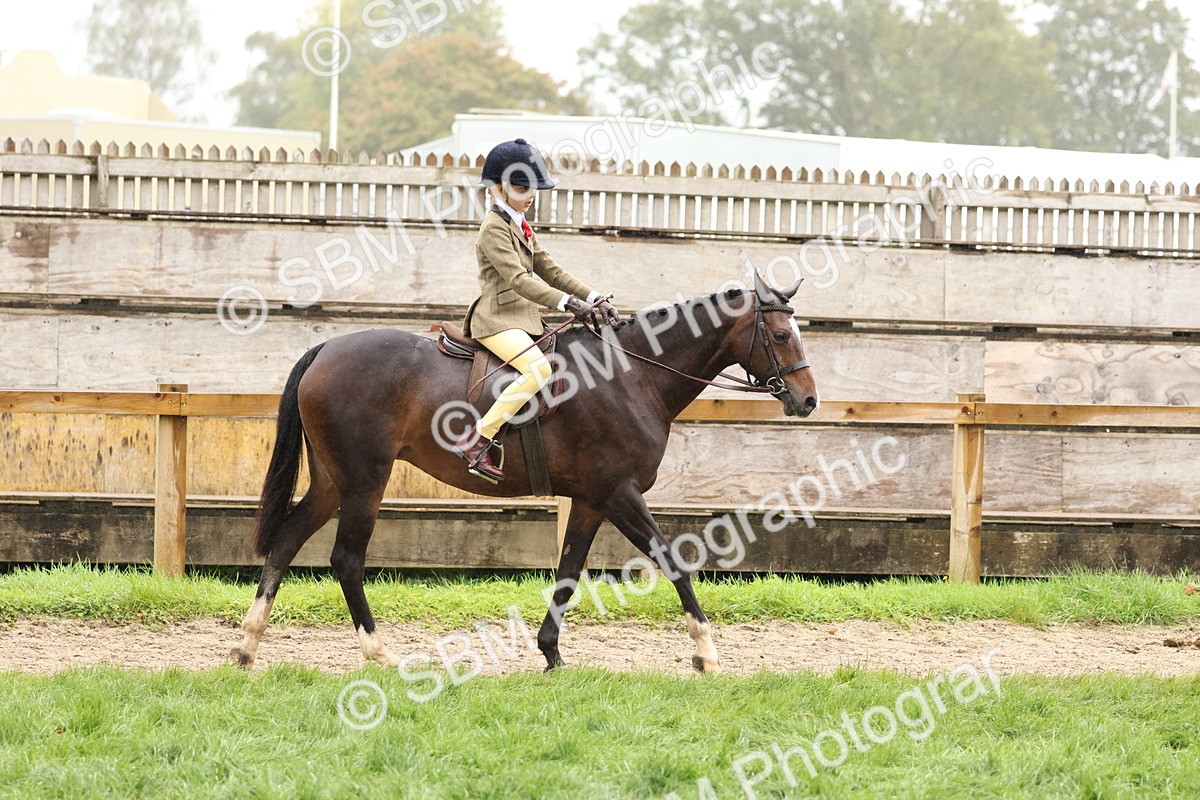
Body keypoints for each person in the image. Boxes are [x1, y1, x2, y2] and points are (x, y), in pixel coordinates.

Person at [454, 138, 621, 483]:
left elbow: (553, 271)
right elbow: (517, 280)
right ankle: (478, 438)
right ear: (498, 188)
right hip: (497, 320)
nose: (530, 195)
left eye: (534, 188)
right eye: (520, 187)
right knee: (538, 371)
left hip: (525, 318)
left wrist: (594, 297)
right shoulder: (493, 229)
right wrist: (565, 303)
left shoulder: (520, 225)